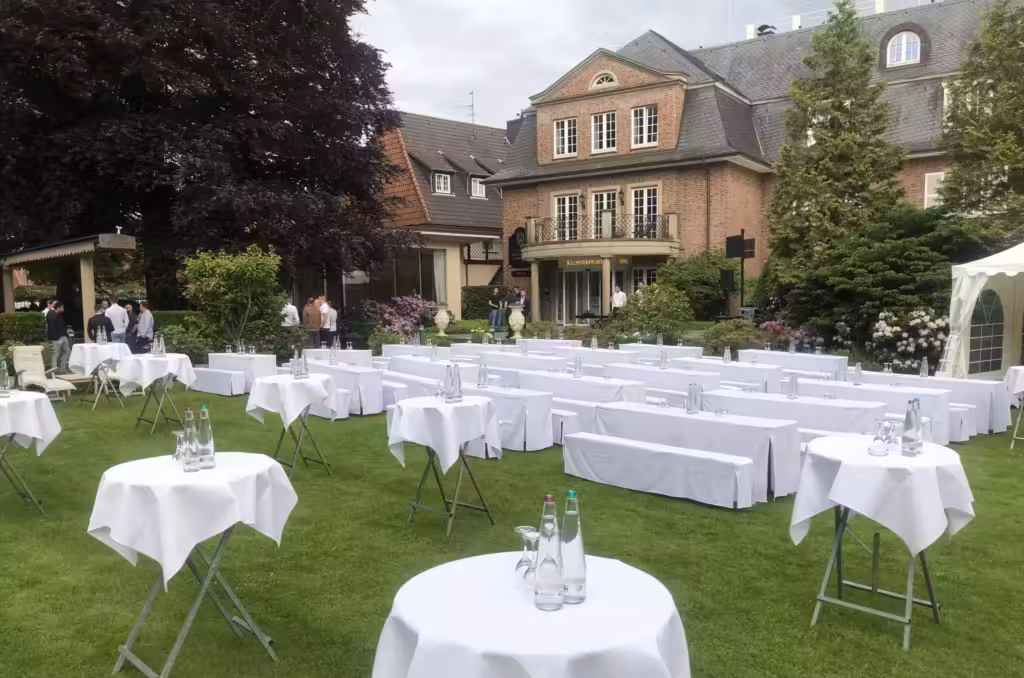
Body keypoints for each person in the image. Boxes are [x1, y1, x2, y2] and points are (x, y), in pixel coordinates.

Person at [46, 301, 69, 372]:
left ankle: (63, 367)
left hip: (63, 336)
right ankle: (54, 369)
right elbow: (52, 327)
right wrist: (55, 338)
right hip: (56, 338)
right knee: (56, 353)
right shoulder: (50, 314)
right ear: (58, 308)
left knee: (67, 351)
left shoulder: (60, 315)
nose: (63, 309)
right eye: (62, 307)